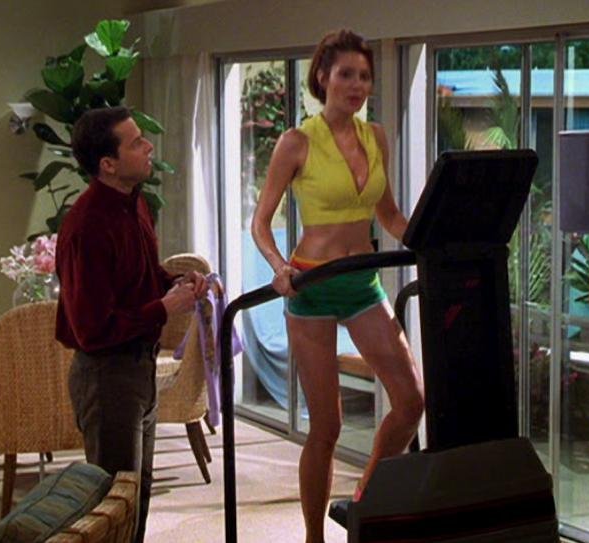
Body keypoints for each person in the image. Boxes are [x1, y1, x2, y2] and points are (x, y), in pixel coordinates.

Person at [250, 29, 425, 543]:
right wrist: (278, 267)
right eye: (346, 74)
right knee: (327, 426)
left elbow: (389, 215)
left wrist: (434, 240)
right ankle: (313, 538)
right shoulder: (297, 141)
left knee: (412, 400)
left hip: (362, 283)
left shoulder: (377, 137)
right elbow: (261, 221)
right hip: (313, 285)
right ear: (323, 77)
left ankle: (364, 501)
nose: (357, 85)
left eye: (364, 76)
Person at [55, 106, 208, 543]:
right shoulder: (86, 227)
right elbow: (92, 329)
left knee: (136, 494)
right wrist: (164, 307)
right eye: (137, 142)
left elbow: (138, 276)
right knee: (112, 504)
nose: (148, 146)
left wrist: (173, 282)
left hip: (140, 366)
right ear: (108, 163)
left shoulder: (135, 202)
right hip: (107, 375)